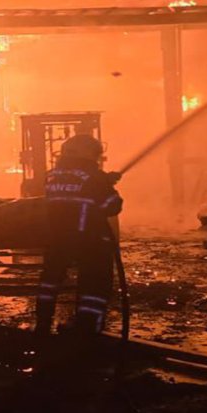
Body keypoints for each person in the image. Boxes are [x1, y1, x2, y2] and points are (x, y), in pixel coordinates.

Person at [35, 134, 123, 335]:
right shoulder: (94, 177)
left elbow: (74, 194)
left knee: (50, 281)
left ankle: (42, 322)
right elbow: (111, 206)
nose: (98, 158)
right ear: (88, 153)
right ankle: (87, 327)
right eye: (96, 154)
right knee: (95, 283)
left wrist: (104, 180)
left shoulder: (52, 175)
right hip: (89, 240)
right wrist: (107, 185)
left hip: (58, 238)